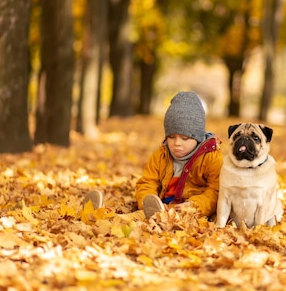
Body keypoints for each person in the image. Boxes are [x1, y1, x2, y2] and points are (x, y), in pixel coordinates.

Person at [83, 91, 223, 220]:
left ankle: (104, 219)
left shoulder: (211, 158)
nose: (176, 143)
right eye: (171, 137)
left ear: (197, 137)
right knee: (133, 210)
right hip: (159, 205)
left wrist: (195, 206)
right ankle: (100, 214)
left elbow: (216, 191)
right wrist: (148, 200)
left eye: (184, 138)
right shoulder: (161, 155)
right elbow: (148, 182)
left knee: (138, 218)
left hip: (187, 211)